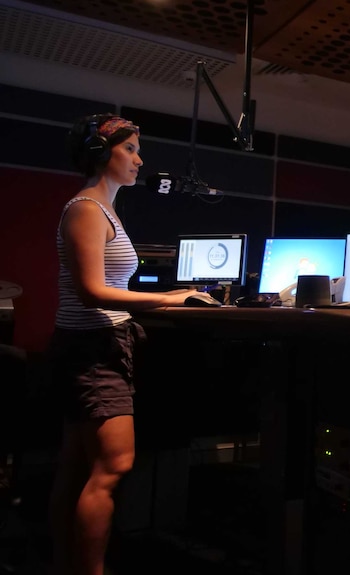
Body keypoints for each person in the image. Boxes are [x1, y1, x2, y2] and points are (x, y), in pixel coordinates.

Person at [47, 113, 199, 575]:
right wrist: (168, 298)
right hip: (92, 348)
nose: (139, 158)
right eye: (130, 149)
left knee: (77, 468)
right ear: (101, 154)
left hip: (92, 345)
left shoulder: (103, 209)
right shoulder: (85, 210)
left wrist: (168, 298)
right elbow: (92, 290)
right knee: (113, 467)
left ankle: (65, 566)